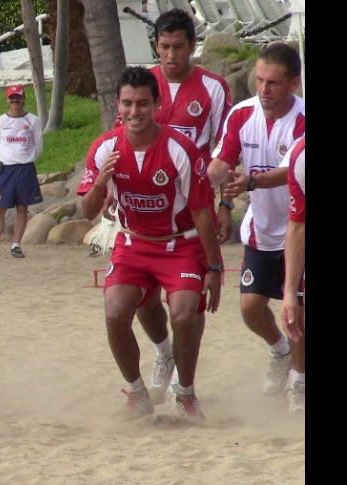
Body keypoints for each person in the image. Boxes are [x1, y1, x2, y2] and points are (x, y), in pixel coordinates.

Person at [78, 66, 222, 420]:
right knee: (114, 312)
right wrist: (101, 183)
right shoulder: (104, 149)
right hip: (134, 244)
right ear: (118, 105)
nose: (134, 112)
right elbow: (86, 210)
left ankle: (185, 393)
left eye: (142, 103)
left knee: (185, 313)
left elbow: (203, 212)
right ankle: (139, 394)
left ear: (156, 104)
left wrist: (215, 267)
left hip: (181, 245)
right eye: (127, 103)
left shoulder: (180, 149)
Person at [108, 8, 233, 403]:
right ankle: (163, 352)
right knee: (142, 298)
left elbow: (227, 148)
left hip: (193, 212)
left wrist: (224, 201)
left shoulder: (213, 89)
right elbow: (121, 135)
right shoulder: (143, 87)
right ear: (155, 46)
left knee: (188, 308)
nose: (171, 54)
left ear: (192, 47)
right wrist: (111, 185)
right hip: (144, 214)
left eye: (179, 46)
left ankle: (186, 383)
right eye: (164, 46)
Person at [207, 42, 305, 408]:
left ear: (294, 83)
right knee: (250, 308)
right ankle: (280, 354)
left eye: (273, 83)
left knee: (297, 312)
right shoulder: (240, 114)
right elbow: (223, 160)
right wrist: (211, 178)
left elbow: (292, 171)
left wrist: (251, 181)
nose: (263, 89)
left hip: (300, 229)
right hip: (260, 230)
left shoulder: (302, 120)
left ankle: (299, 382)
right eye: (259, 80)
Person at [0, 85, 43, 260]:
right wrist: (6, 159)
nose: (15, 101)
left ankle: (16, 245)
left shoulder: (33, 120)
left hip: (25, 169)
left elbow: (38, 147)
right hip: (5, 170)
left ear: (23, 99)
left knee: (22, 208)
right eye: (12, 97)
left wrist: (26, 159)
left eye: (18, 97)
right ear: (6, 100)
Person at [280, 135, 305, 412]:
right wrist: (289, 292)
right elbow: (298, 226)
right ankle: (299, 381)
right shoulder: (301, 156)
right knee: (298, 309)